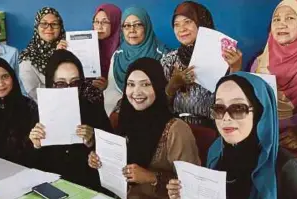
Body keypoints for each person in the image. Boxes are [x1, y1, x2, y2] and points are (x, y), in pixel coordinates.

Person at [167, 72, 297, 199]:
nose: (226, 118)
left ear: (260, 113)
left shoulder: (286, 167)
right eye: (219, 108)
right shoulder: (216, 151)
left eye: (238, 108)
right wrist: (187, 193)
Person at [89, 57, 200, 199]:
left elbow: (192, 186)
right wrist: (100, 160)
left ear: (158, 86)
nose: (137, 92)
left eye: (146, 84)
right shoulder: (124, 119)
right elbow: (119, 164)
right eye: (131, 84)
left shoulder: (176, 130)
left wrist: (151, 178)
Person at [28, 49, 112, 188]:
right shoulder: (39, 112)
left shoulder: (93, 108)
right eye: (61, 83)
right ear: (50, 82)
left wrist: (93, 142)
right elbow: (30, 164)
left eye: (74, 83)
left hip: (86, 187)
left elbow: (111, 155)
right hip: (51, 186)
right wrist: (36, 145)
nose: (69, 89)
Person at [162, 1, 242, 127]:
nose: (182, 29)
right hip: (177, 128)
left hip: (214, 129)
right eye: (176, 25)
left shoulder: (223, 56)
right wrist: (173, 85)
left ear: (202, 24)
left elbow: (232, 101)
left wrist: (235, 68)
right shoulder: (169, 61)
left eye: (188, 22)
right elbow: (157, 105)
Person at [251, 0, 297, 151]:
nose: (281, 24)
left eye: (290, 18)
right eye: (276, 19)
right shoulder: (260, 63)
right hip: (262, 144)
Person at [104, 7, 170, 115]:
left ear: (147, 26)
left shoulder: (163, 55)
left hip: (155, 114)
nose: (132, 30)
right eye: (126, 26)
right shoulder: (117, 56)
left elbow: (167, 94)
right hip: (123, 114)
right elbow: (112, 93)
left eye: (138, 24)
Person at [57, 4, 122, 104]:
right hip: (82, 102)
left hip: (112, 103)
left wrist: (109, 86)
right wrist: (61, 53)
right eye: (96, 21)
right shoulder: (85, 44)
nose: (99, 26)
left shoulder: (123, 52)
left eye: (105, 22)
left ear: (115, 23)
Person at [19, 7, 65, 102]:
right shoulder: (27, 58)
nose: (49, 28)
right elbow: (37, 96)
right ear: (37, 27)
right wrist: (56, 57)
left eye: (54, 24)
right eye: (44, 24)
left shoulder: (69, 48)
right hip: (45, 111)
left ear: (60, 27)